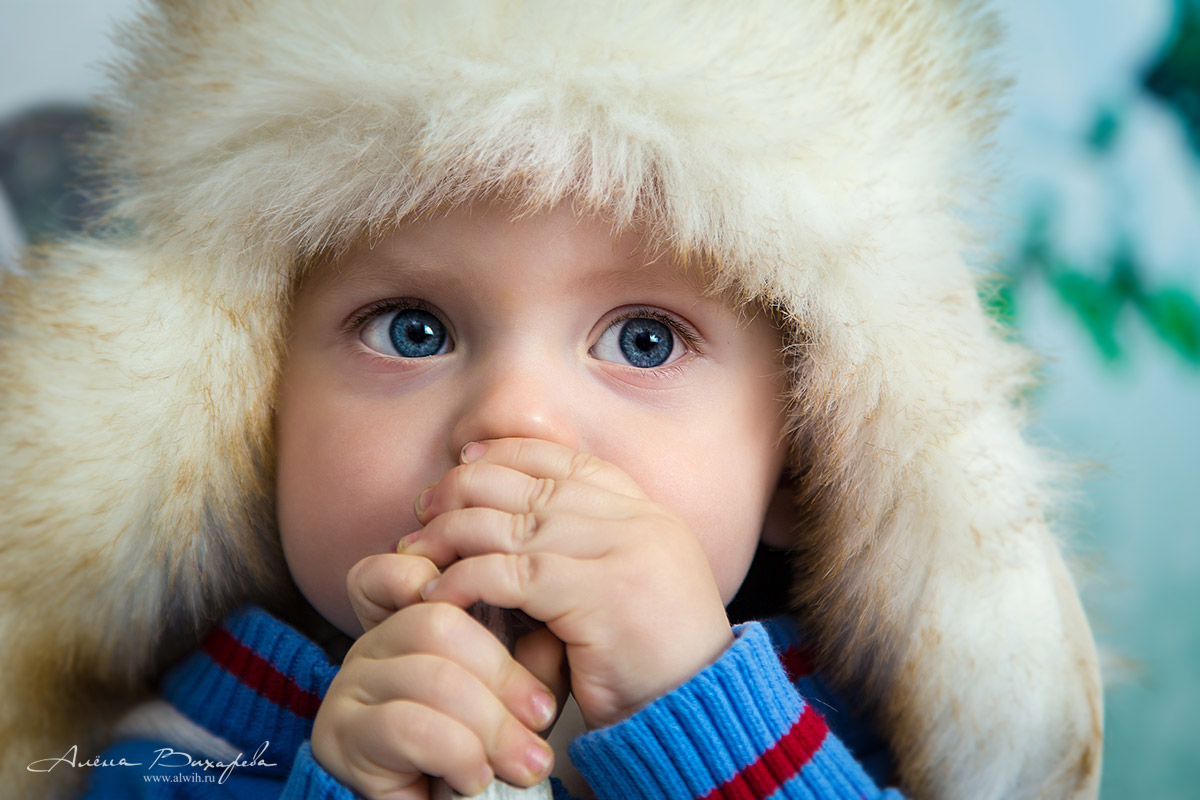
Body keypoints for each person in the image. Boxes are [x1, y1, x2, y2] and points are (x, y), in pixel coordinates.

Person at [0, 2, 1102, 799]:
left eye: (644, 338)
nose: (515, 418)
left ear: (809, 463)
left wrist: (701, 720)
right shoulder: (196, 741)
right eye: (413, 329)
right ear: (248, 413)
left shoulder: (846, 737)